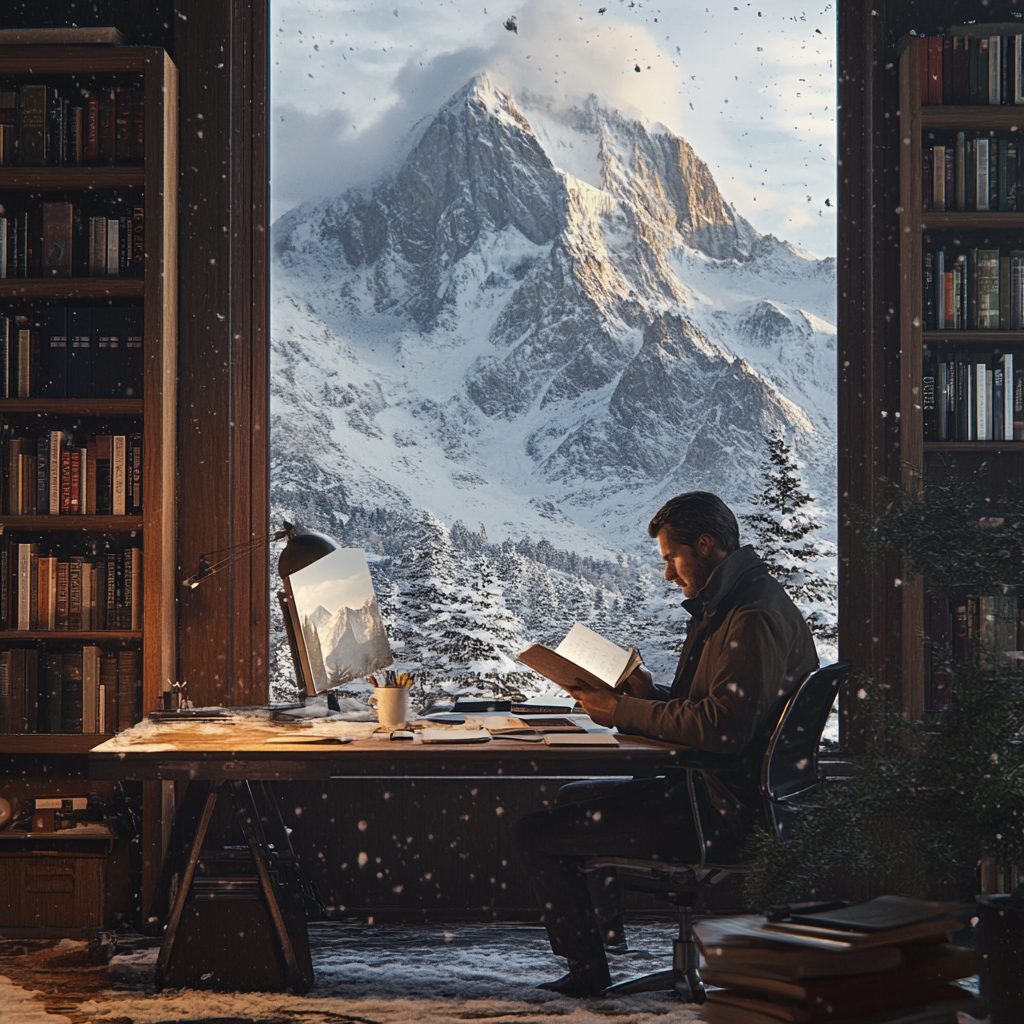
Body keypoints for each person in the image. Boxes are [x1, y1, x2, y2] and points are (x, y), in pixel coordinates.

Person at [515, 491, 818, 997]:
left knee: (535, 833)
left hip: (720, 810)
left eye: (671, 559)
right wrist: (647, 694)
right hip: (714, 792)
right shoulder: (734, 602)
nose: (668, 574)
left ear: (704, 545)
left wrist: (619, 712)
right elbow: (717, 708)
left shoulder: (750, 615)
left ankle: (589, 974)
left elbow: (723, 729)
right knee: (570, 800)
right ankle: (602, 951)